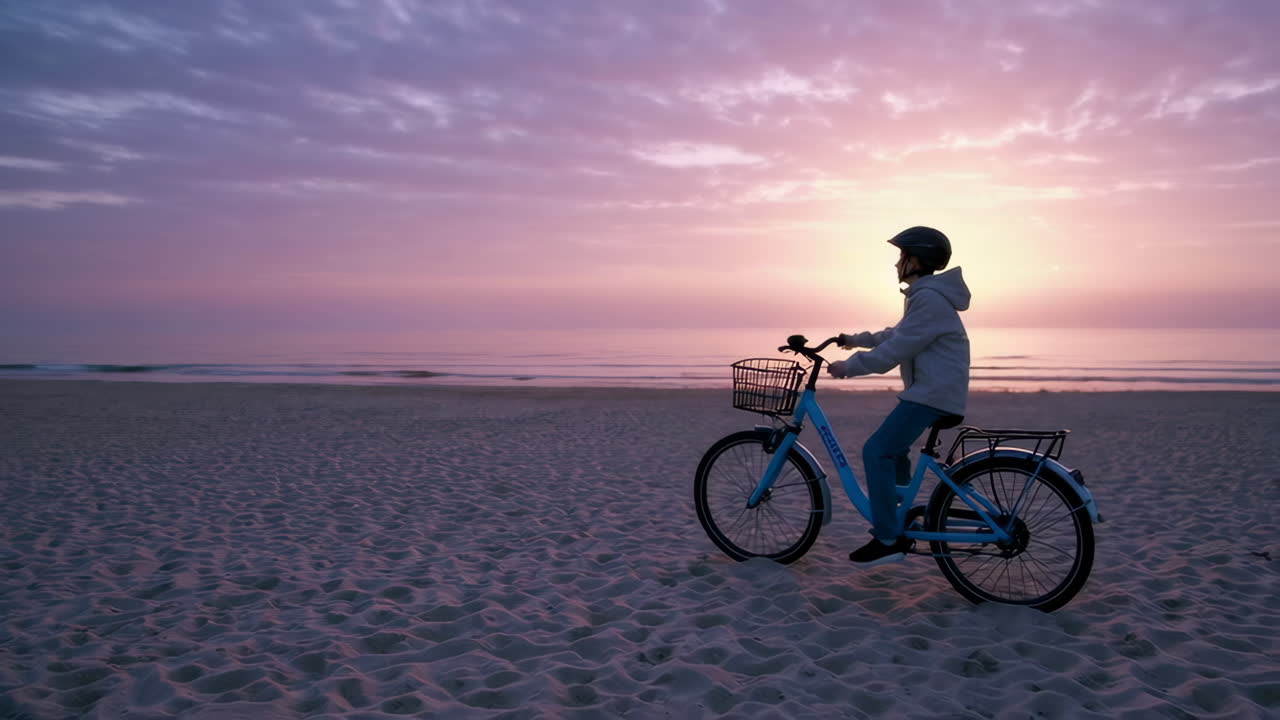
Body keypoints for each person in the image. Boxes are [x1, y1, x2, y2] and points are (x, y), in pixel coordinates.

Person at [828, 226, 971, 566]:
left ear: (915, 260)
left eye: (901, 256)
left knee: (876, 451)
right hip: (935, 393)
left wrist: (846, 367)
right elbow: (896, 334)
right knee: (895, 453)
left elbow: (894, 350)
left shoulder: (929, 299)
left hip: (932, 396)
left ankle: (888, 536)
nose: (896, 264)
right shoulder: (927, 296)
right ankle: (900, 514)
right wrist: (854, 339)